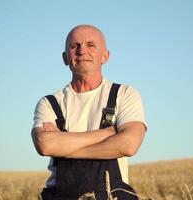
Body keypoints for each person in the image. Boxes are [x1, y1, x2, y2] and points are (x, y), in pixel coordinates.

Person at [31, 24, 147, 200]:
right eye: (74, 46)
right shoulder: (49, 102)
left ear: (105, 56)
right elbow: (45, 144)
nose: (81, 51)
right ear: (65, 58)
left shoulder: (124, 94)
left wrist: (63, 147)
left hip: (111, 196)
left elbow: (129, 145)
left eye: (90, 45)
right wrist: (106, 134)